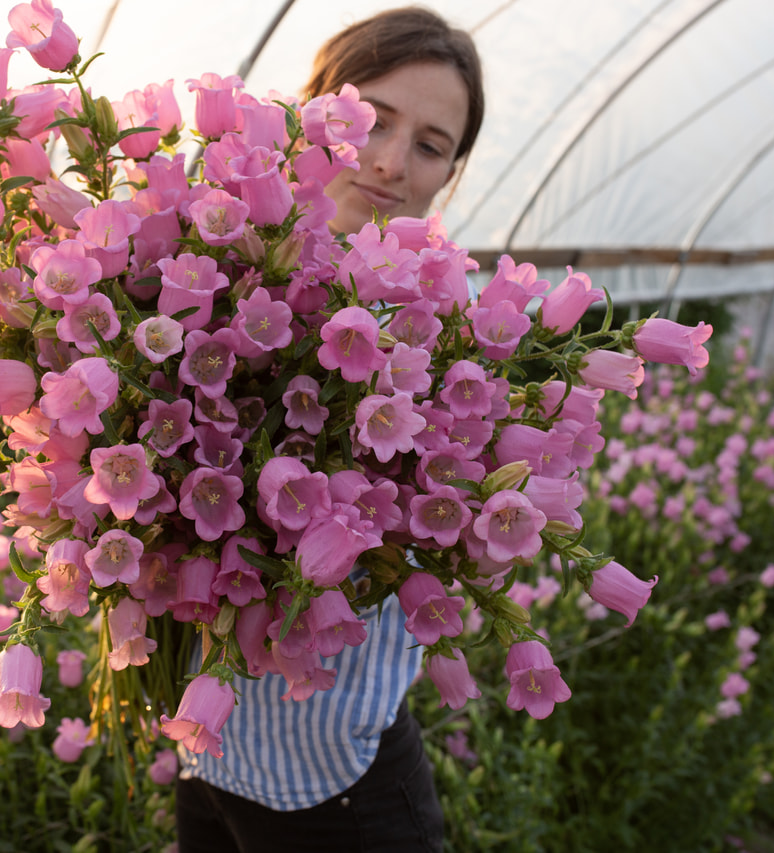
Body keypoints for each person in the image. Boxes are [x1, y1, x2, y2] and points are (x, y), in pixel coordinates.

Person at [174, 7, 486, 853]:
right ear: (312, 109)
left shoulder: (450, 325)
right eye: (372, 119)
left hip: (338, 762)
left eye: (429, 144)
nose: (388, 161)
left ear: (450, 171)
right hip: (212, 737)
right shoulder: (212, 260)